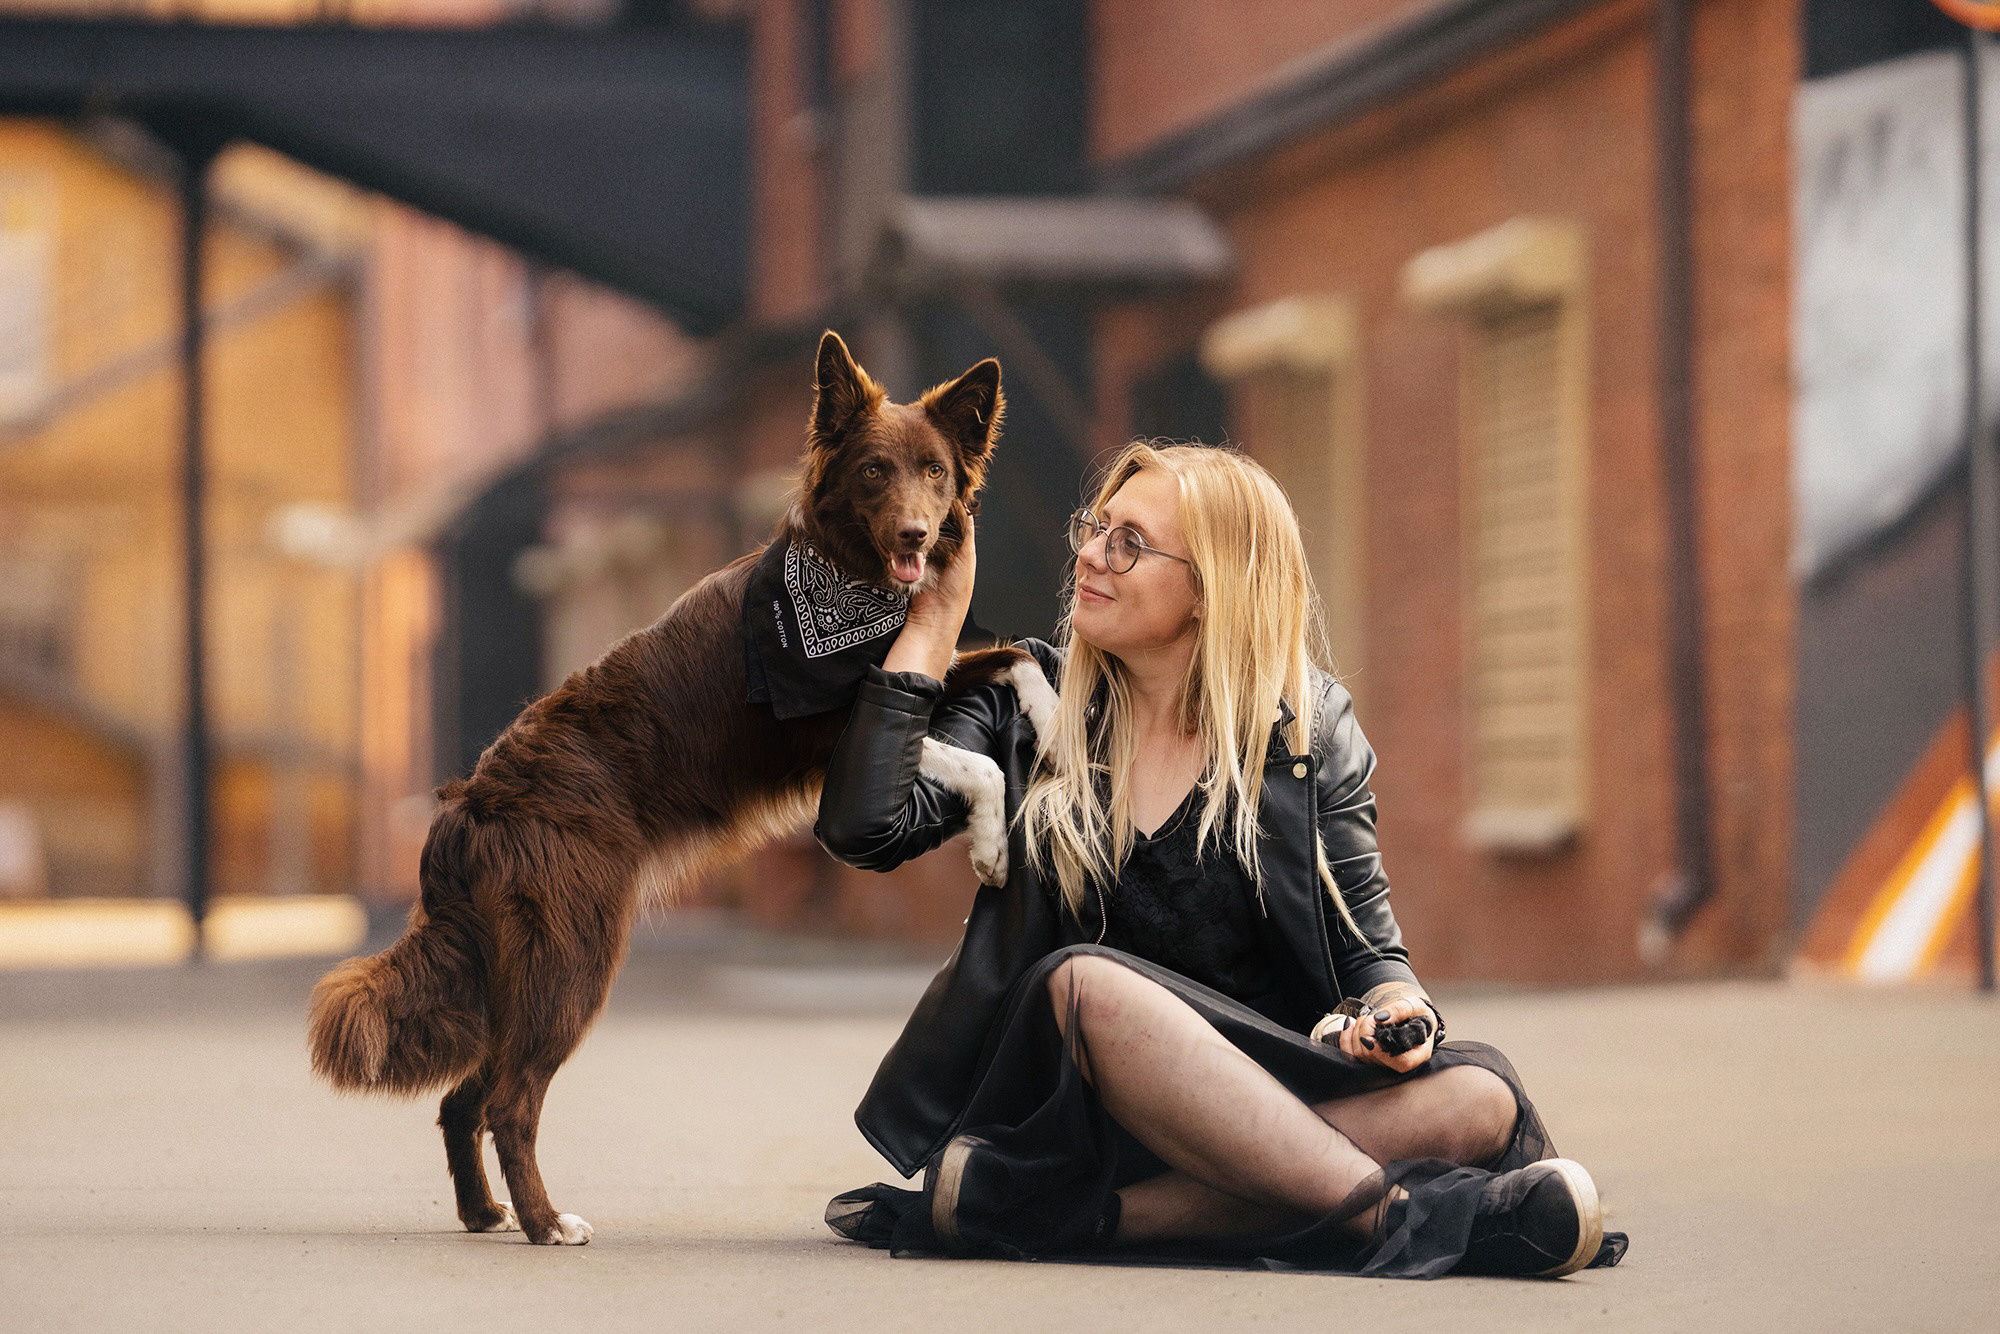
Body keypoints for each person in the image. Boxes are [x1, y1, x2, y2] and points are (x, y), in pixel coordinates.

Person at [816, 442, 1625, 1278]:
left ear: (1211, 589)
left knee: (1479, 1098)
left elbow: (1372, 953)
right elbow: (865, 829)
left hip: (1257, 1105)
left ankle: (1086, 1218)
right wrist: (928, 626)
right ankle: (1411, 1217)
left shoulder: (1305, 733)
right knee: (1086, 981)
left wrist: (1397, 1018)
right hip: (1070, 1109)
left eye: (1129, 542)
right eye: (1096, 530)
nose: (1090, 556)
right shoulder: (1025, 699)